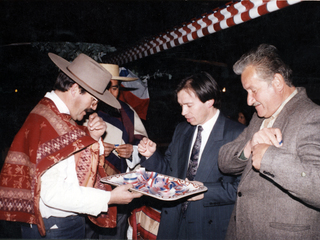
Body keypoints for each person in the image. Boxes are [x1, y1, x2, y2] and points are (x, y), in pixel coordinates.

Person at [0, 53, 142, 239]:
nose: (93, 107)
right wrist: (110, 198)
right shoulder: (53, 123)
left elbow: (67, 159)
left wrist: (91, 137)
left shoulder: (47, 113)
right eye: (93, 100)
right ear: (75, 89)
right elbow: (53, 194)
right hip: (56, 228)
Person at [218, 44, 320, 239]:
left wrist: (268, 158)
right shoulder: (259, 118)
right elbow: (224, 162)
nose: (249, 101)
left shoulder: (313, 116)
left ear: (277, 82)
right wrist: (248, 147)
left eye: (253, 90)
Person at [138, 72, 245, 240]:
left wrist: (205, 191)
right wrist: (152, 155)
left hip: (209, 226)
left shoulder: (237, 134)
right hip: (173, 222)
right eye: (181, 105)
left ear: (209, 102)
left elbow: (242, 189)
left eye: (188, 105)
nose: (183, 112)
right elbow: (169, 172)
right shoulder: (182, 129)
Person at [85, 63, 148, 239]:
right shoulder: (84, 110)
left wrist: (132, 151)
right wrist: (93, 149)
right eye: (104, 88)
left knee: (115, 233)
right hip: (87, 190)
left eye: (114, 88)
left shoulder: (127, 112)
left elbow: (143, 144)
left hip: (118, 191)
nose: (110, 94)